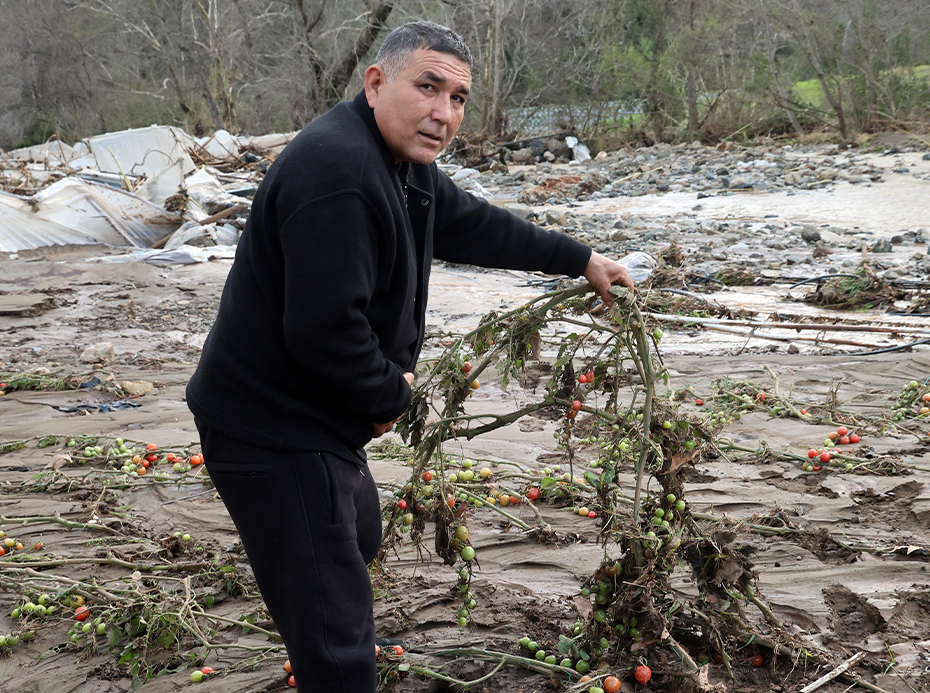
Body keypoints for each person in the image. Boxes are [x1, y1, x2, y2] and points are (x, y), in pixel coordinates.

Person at [185, 20, 632, 693]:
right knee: (336, 635)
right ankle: (332, 655)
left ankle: (324, 617)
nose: (443, 113)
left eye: (457, 98)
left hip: (316, 418)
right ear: (375, 83)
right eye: (428, 87)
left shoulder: (403, 167)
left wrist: (579, 259)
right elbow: (323, 330)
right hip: (267, 427)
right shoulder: (337, 172)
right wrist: (391, 395)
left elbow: (474, 223)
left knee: (356, 530)